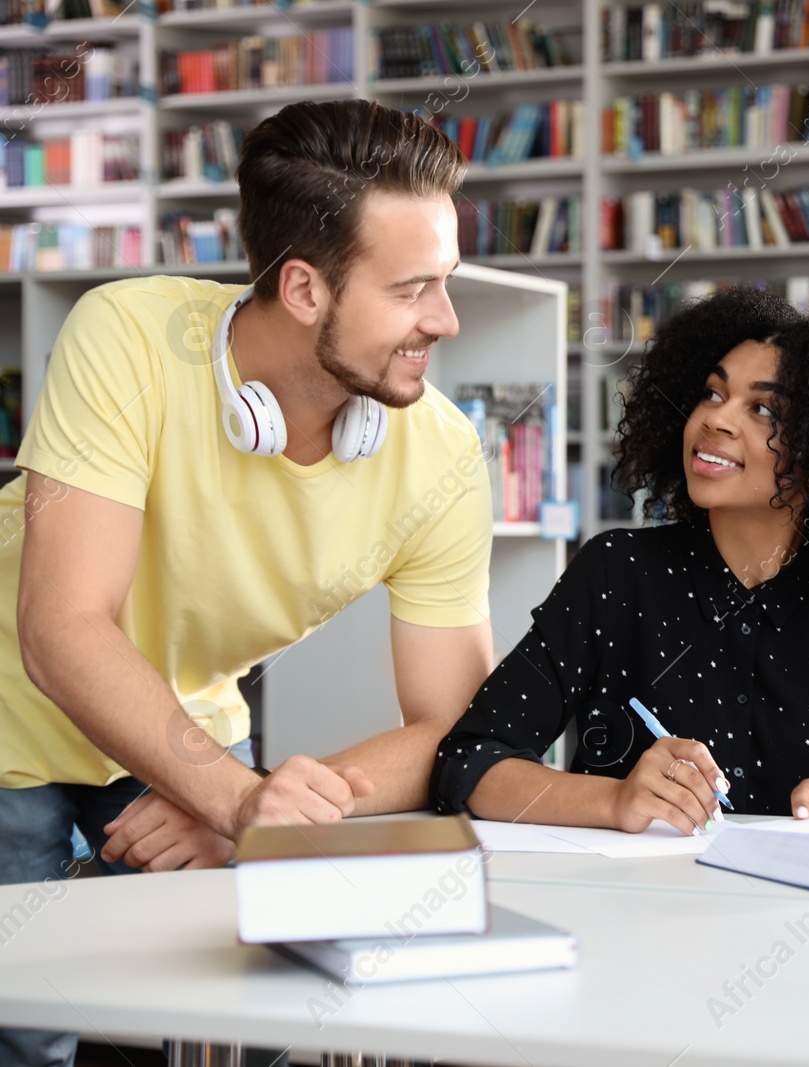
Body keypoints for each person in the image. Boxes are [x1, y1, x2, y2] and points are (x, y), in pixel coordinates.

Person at [0, 101, 498, 1067]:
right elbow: (62, 627)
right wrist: (237, 798)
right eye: (413, 289)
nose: (447, 318)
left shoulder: (440, 452)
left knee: (251, 1018)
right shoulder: (130, 337)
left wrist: (269, 800)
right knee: (29, 1029)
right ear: (305, 289)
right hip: (10, 716)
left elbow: (460, 726)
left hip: (187, 732)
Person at [430, 288, 809, 829]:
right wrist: (614, 799)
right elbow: (470, 760)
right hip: (630, 911)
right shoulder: (615, 573)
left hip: (801, 912)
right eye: (713, 393)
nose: (717, 420)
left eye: (765, 410)